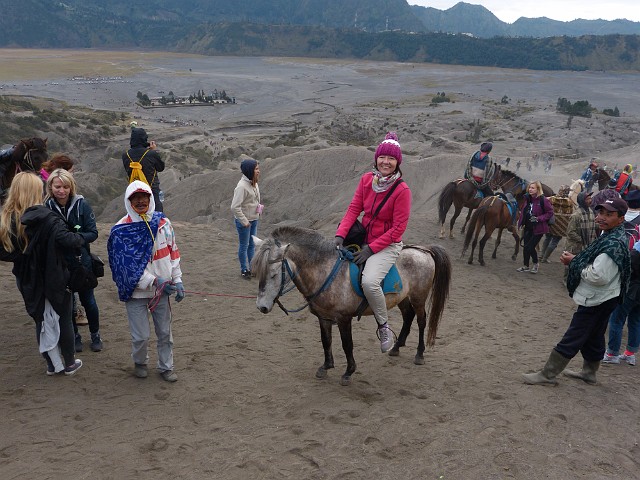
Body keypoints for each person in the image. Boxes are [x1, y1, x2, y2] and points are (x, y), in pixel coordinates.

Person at [523, 197, 631, 386]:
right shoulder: (611, 236)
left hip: (599, 298)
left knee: (575, 334)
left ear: (621, 218)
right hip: (607, 296)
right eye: (601, 213)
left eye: (609, 214)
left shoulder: (613, 244)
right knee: (595, 335)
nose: (602, 217)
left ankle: (548, 374)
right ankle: (589, 372)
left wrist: (574, 261)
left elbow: (598, 276)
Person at [0, 172, 85, 375]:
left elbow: (4, 252)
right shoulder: (47, 217)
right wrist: (79, 236)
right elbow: (69, 241)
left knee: (41, 318)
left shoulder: (6, 218)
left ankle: (52, 364)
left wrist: (23, 257)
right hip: (54, 274)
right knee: (64, 317)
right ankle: (69, 363)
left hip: (26, 278)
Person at [334, 132, 412, 353]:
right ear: (376, 158)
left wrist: (371, 249)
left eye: (391, 159)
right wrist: (340, 235)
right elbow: (353, 209)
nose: (386, 162)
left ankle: (384, 326)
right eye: (382, 157)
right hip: (363, 238)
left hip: (387, 245)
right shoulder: (367, 180)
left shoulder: (402, 191)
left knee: (369, 282)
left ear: (397, 163)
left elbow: (398, 229)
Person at [107, 180, 184, 382]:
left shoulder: (163, 224)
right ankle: (140, 362)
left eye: (145, 197)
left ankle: (166, 366)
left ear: (151, 198)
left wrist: (177, 279)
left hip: (163, 291)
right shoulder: (121, 230)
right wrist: (153, 280)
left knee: (165, 332)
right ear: (128, 201)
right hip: (136, 292)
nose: (141, 201)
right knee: (140, 336)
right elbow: (124, 268)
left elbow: (173, 252)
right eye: (136, 198)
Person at [45, 168, 102, 353]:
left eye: (65, 187)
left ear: (72, 187)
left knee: (89, 302)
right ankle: (75, 336)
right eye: (58, 186)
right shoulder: (46, 208)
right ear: (50, 187)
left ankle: (95, 335)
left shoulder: (82, 205)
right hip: (60, 264)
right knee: (67, 306)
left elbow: (93, 232)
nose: (61, 190)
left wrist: (77, 238)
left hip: (81, 262)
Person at [230, 158, 262, 279]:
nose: (258, 171)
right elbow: (234, 207)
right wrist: (244, 221)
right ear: (250, 170)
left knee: (251, 245)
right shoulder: (241, 187)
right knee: (244, 245)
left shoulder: (254, 182)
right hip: (245, 222)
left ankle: (252, 268)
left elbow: (254, 200)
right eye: (256, 169)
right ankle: (244, 269)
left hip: (254, 219)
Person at [122, 127, 165, 212]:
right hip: (151, 189)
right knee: (156, 213)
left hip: (134, 190)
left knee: (136, 213)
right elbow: (160, 168)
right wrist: (153, 151)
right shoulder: (151, 154)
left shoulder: (125, 155)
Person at [516, 180, 553, 274]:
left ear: (538, 189)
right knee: (525, 247)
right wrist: (520, 223)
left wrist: (538, 218)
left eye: (533, 188)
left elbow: (550, 213)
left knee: (530, 247)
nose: (530, 189)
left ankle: (536, 263)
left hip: (539, 228)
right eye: (530, 188)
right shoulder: (528, 199)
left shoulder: (543, 200)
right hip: (528, 226)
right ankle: (526, 266)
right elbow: (524, 212)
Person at [540, 185, 574, 263]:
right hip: (561, 227)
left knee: (547, 238)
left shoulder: (551, 199)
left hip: (550, 223)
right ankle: (545, 258)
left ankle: (541, 255)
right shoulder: (569, 202)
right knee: (554, 242)